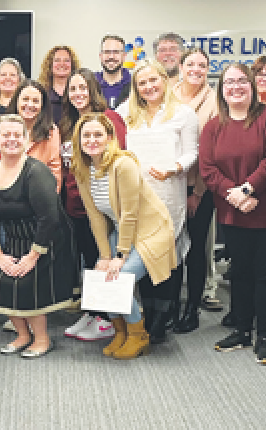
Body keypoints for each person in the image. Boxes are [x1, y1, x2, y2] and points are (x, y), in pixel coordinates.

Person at [200, 62, 266, 366]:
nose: (235, 87)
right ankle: (242, 330)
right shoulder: (214, 126)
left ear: (252, 86)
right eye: (229, 82)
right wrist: (235, 195)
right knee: (240, 274)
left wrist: (248, 190)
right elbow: (207, 169)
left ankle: (264, 335)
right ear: (221, 89)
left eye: (242, 81)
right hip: (234, 213)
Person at [72, 113, 178, 360]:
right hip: (123, 231)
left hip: (151, 231)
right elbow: (96, 217)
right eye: (86, 135)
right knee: (102, 274)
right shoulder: (83, 169)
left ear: (110, 138)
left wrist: (120, 256)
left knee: (119, 278)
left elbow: (130, 212)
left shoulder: (123, 164)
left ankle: (138, 334)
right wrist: (105, 255)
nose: (92, 140)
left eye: (98, 134)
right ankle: (120, 331)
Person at [0, 114, 78, 358]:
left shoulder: (36, 171)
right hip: (13, 238)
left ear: (26, 140)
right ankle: (22, 336)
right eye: (6, 135)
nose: (11, 140)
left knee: (27, 284)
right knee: (4, 283)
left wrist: (33, 256)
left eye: (17, 135)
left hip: (48, 239)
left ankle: (42, 339)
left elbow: (49, 218)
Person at [118, 60, 197, 345]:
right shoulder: (126, 113)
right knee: (141, 256)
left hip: (167, 194)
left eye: (154, 80)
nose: (149, 87)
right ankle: (144, 315)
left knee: (165, 256)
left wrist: (174, 168)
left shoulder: (184, 114)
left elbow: (192, 153)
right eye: (142, 83)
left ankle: (162, 319)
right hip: (136, 196)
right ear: (135, 88)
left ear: (164, 80)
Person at [59, 69, 126, 341]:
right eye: (72, 89)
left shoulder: (108, 119)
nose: (77, 93)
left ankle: (107, 319)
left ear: (92, 90)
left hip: (102, 205)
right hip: (76, 203)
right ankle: (92, 312)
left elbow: (119, 157)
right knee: (89, 260)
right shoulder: (68, 122)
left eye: (82, 88)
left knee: (103, 258)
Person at [172, 46, 225, 334]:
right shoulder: (168, 93)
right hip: (168, 184)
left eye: (202, 65)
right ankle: (170, 306)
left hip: (197, 188)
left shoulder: (216, 100)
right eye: (190, 64)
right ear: (180, 67)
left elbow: (212, 151)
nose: (195, 69)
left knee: (195, 249)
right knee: (170, 247)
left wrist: (198, 192)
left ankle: (191, 308)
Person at [8, 80, 62, 188]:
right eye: (25, 99)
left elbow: (54, 174)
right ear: (16, 101)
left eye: (35, 101)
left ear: (42, 105)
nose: (30, 105)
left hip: (39, 196)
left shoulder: (51, 132)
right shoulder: (4, 128)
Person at [36, 46, 79, 123]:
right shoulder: (41, 93)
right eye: (57, 60)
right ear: (50, 65)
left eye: (66, 60)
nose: (62, 64)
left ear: (72, 65)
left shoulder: (79, 94)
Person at [96, 34, 131, 109]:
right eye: (107, 52)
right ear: (100, 56)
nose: (111, 56)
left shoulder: (135, 84)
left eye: (116, 52)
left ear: (124, 56)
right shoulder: (91, 84)